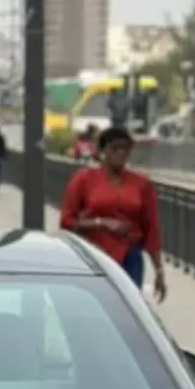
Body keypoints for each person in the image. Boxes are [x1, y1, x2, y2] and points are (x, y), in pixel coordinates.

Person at [60, 126, 167, 301]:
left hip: (130, 259)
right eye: (115, 148)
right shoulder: (83, 180)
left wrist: (159, 271)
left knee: (127, 310)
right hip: (94, 256)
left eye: (125, 149)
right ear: (103, 151)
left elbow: (151, 230)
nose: (120, 153)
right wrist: (100, 223)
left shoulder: (142, 184)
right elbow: (66, 222)